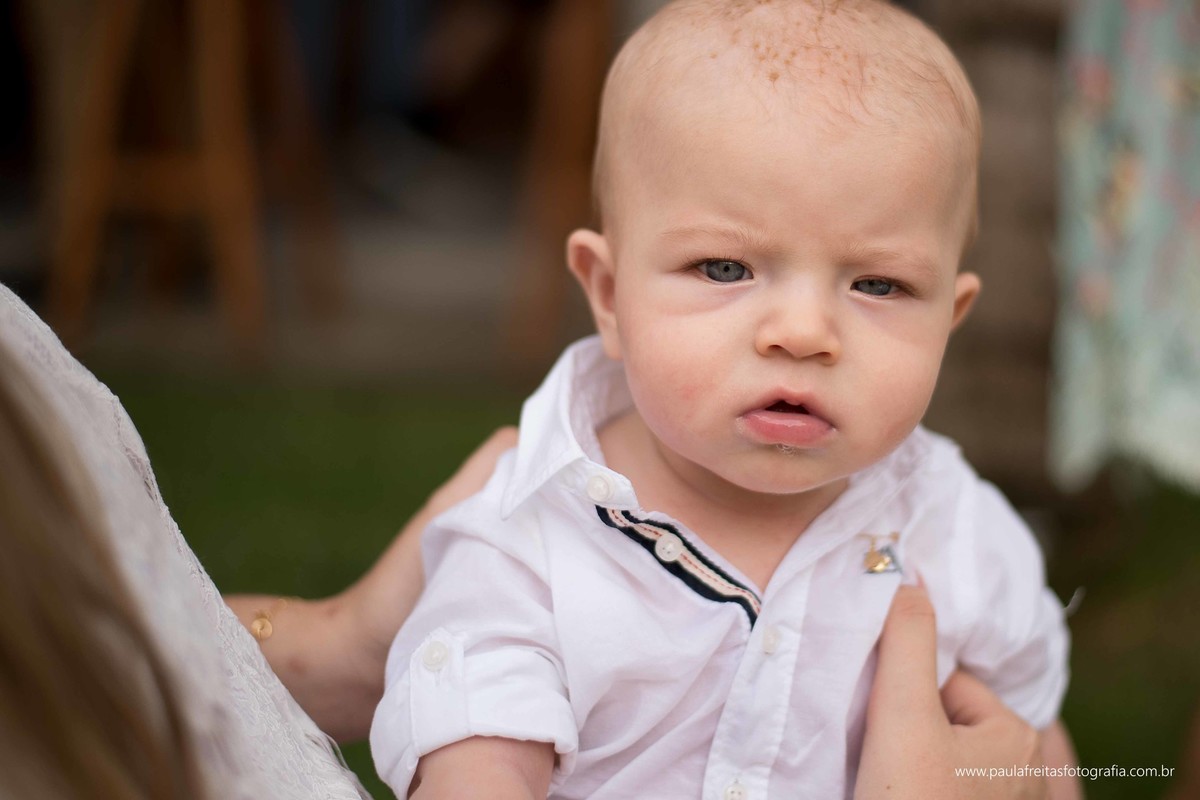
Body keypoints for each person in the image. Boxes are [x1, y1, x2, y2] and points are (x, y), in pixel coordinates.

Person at [369, 1, 1080, 798]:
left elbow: (1030, 751)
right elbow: (478, 772)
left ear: (949, 318)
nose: (804, 333)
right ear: (609, 296)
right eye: (724, 268)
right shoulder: (536, 544)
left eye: (878, 284)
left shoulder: (959, 538)